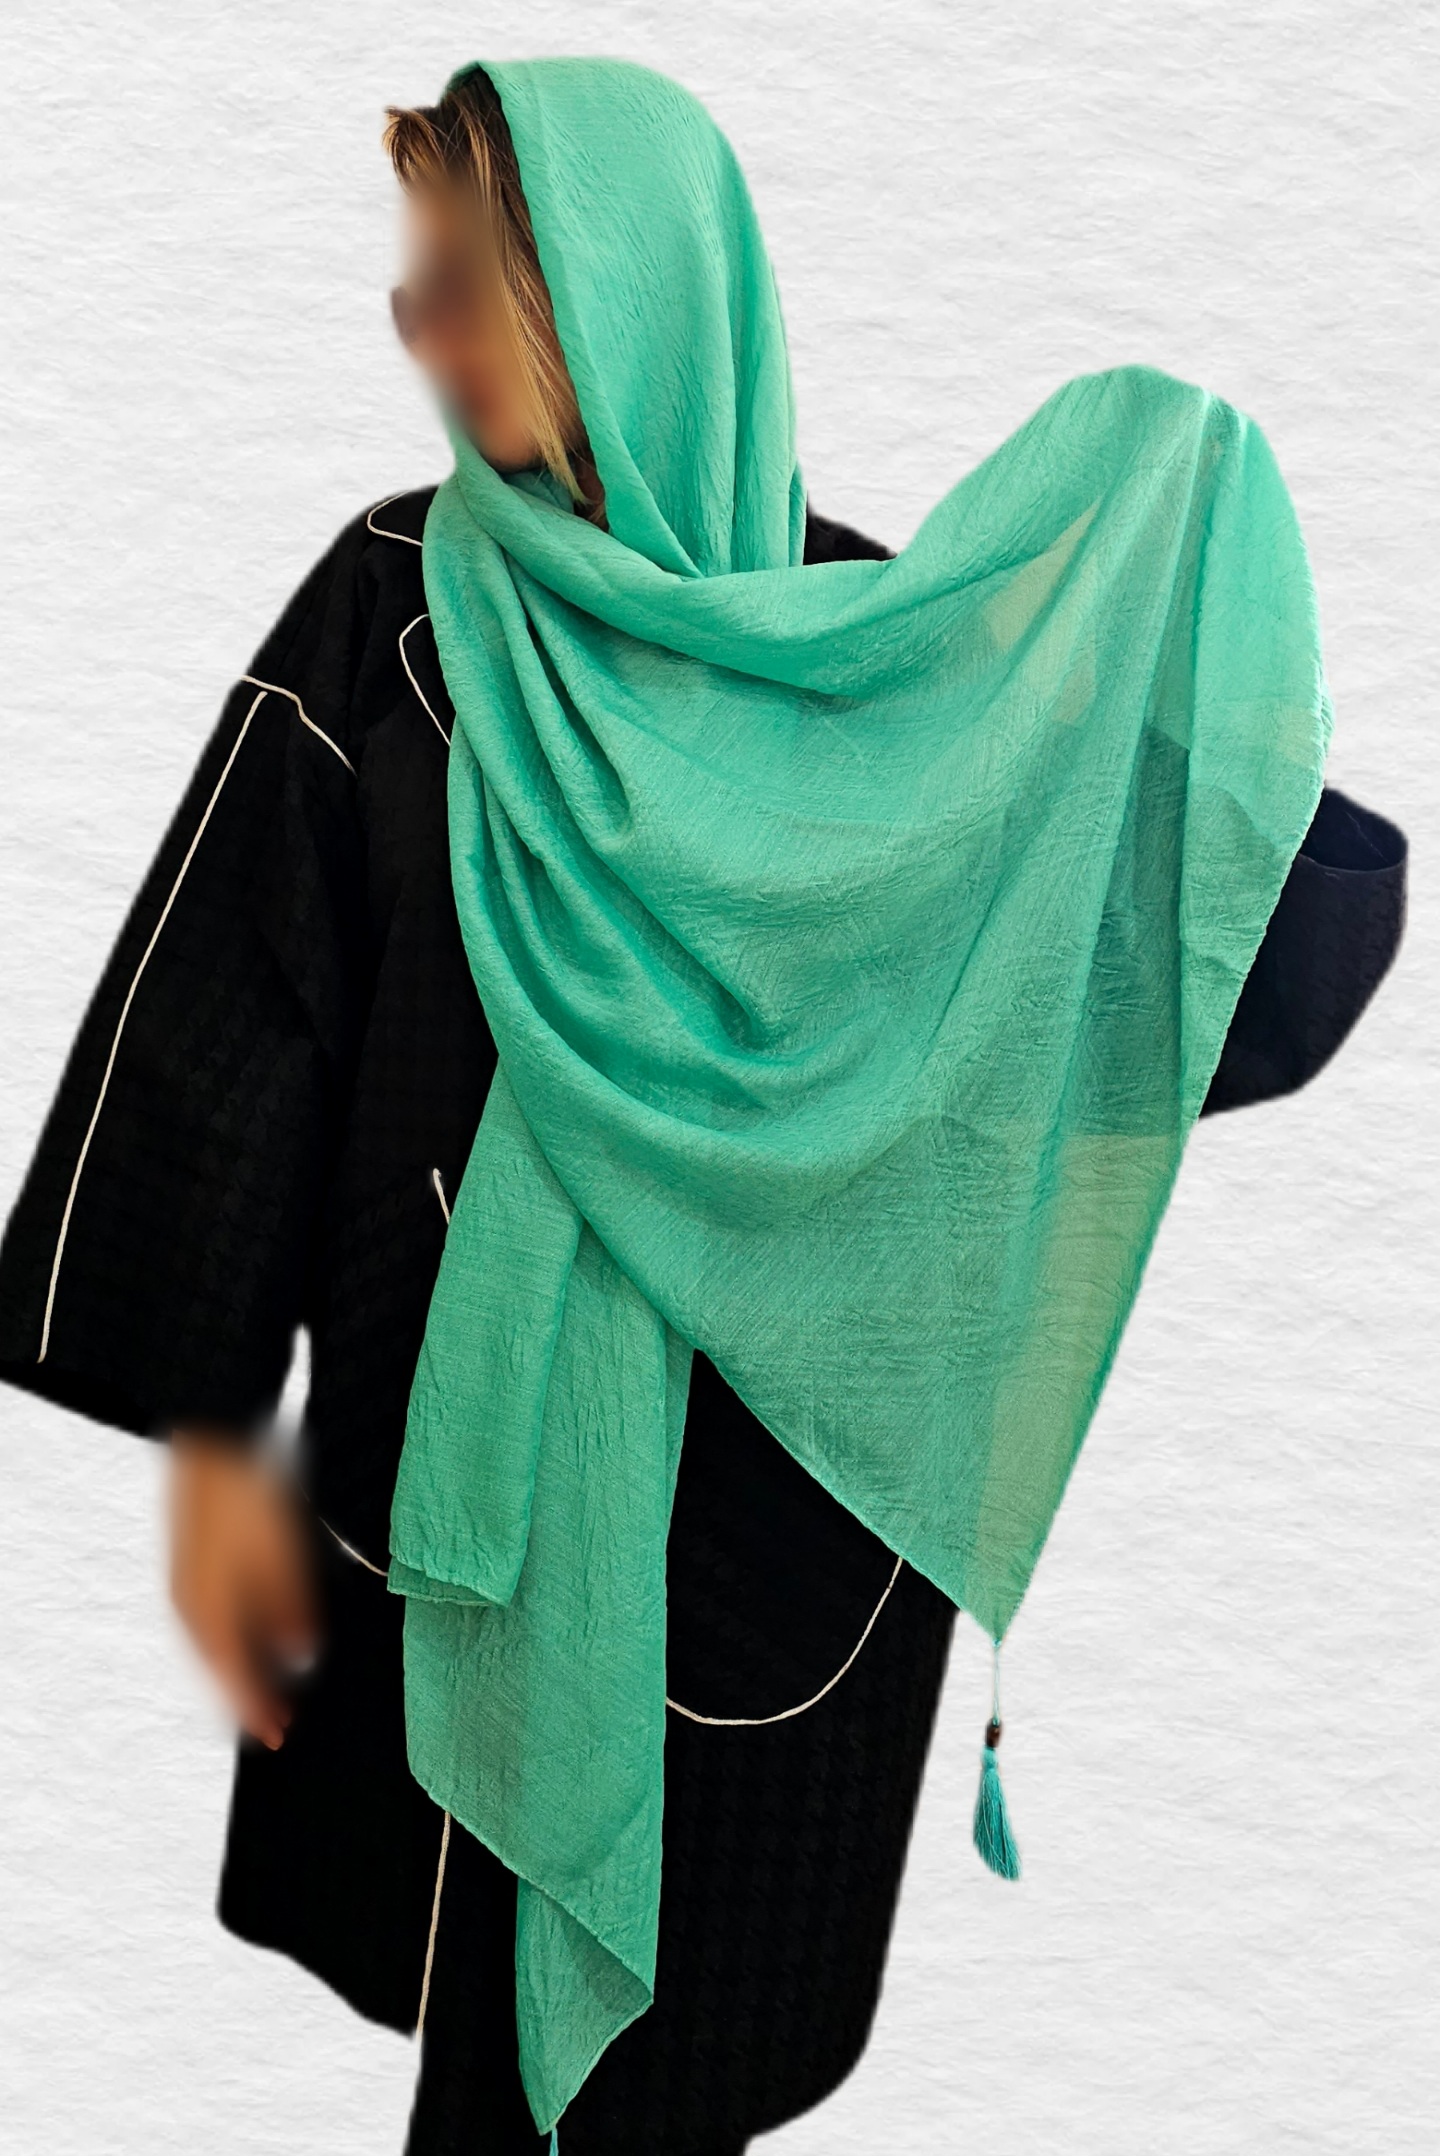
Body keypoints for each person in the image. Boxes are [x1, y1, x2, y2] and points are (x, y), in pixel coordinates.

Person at [0, 57, 1408, 2156]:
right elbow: (239, 1015)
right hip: (454, 1491)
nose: (420, 335)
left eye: (465, 283)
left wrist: (1172, 636)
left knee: (672, 2061)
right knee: (478, 2026)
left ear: (630, 296)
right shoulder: (398, 613)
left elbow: (1168, 965)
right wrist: (200, 1442)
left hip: (771, 1529)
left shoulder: (883, 662)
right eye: (410, 284)